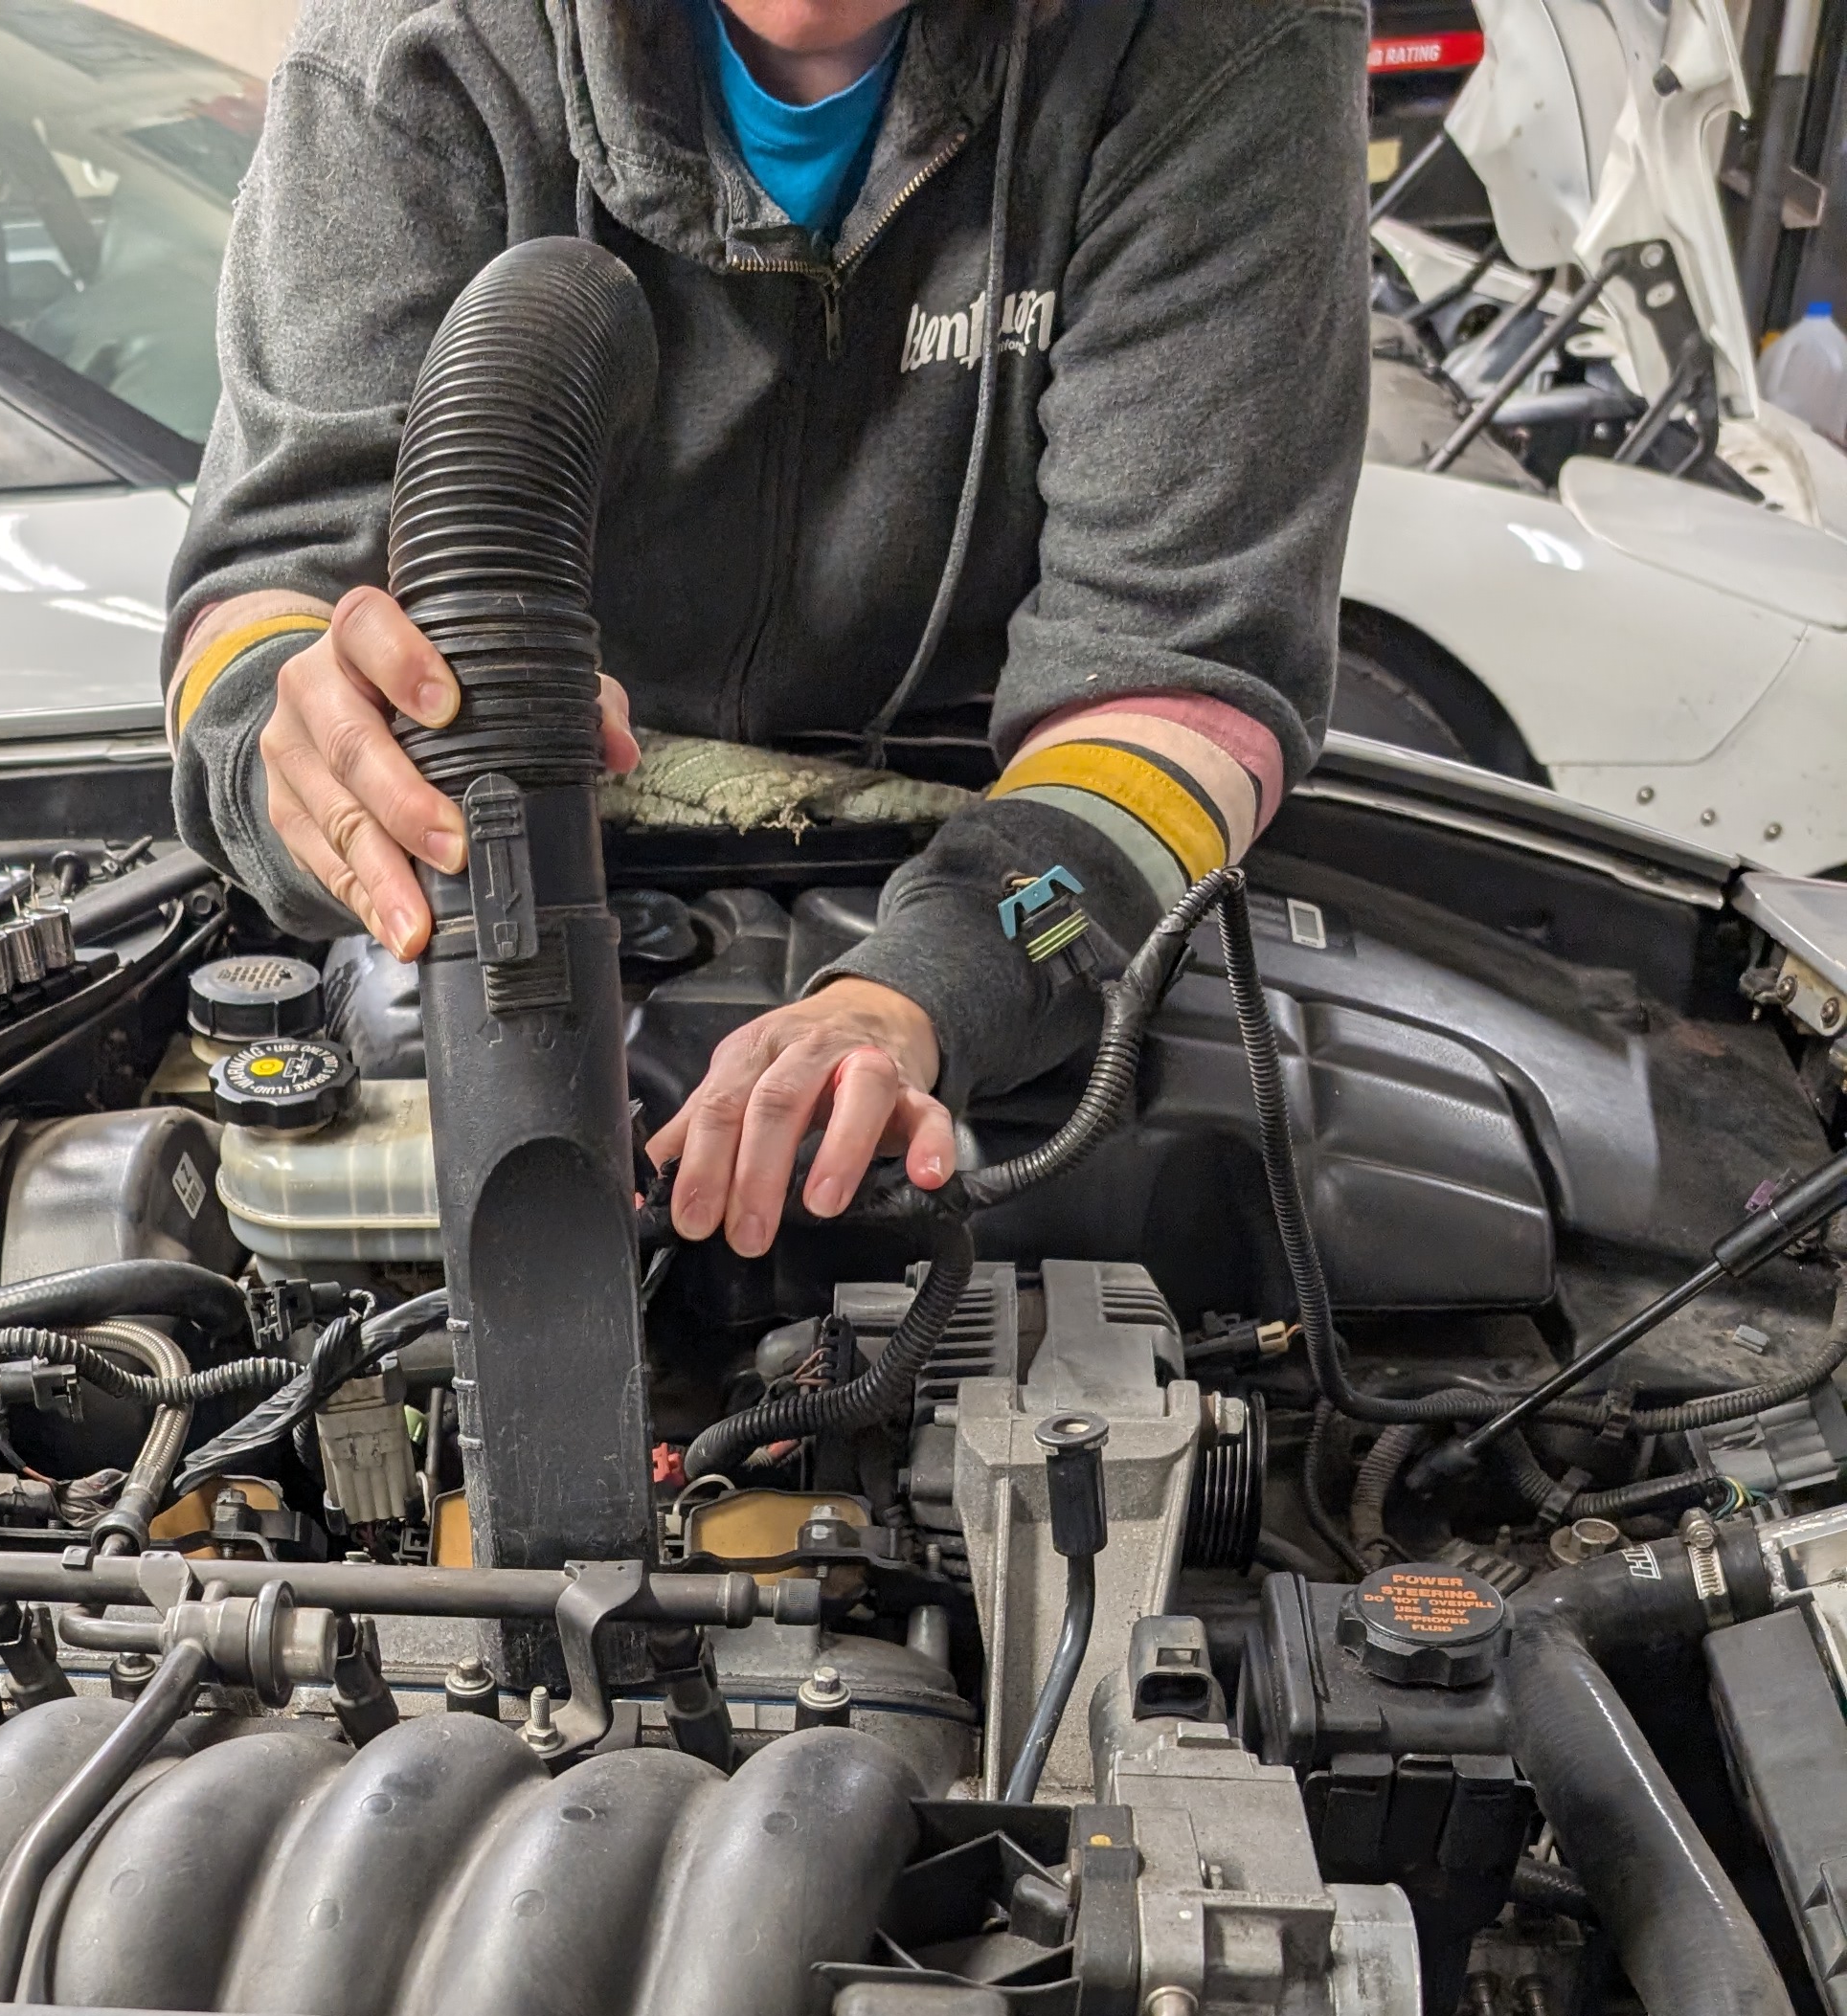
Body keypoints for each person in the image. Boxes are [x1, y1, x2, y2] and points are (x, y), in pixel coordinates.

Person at [164, 0, 1369, 1254]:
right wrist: (300, 761)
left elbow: (1169, 704)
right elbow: (277, 590)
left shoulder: (1217, 31)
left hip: (1018, 845)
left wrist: (943, 986)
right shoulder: (413, 43)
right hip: (520, 821)